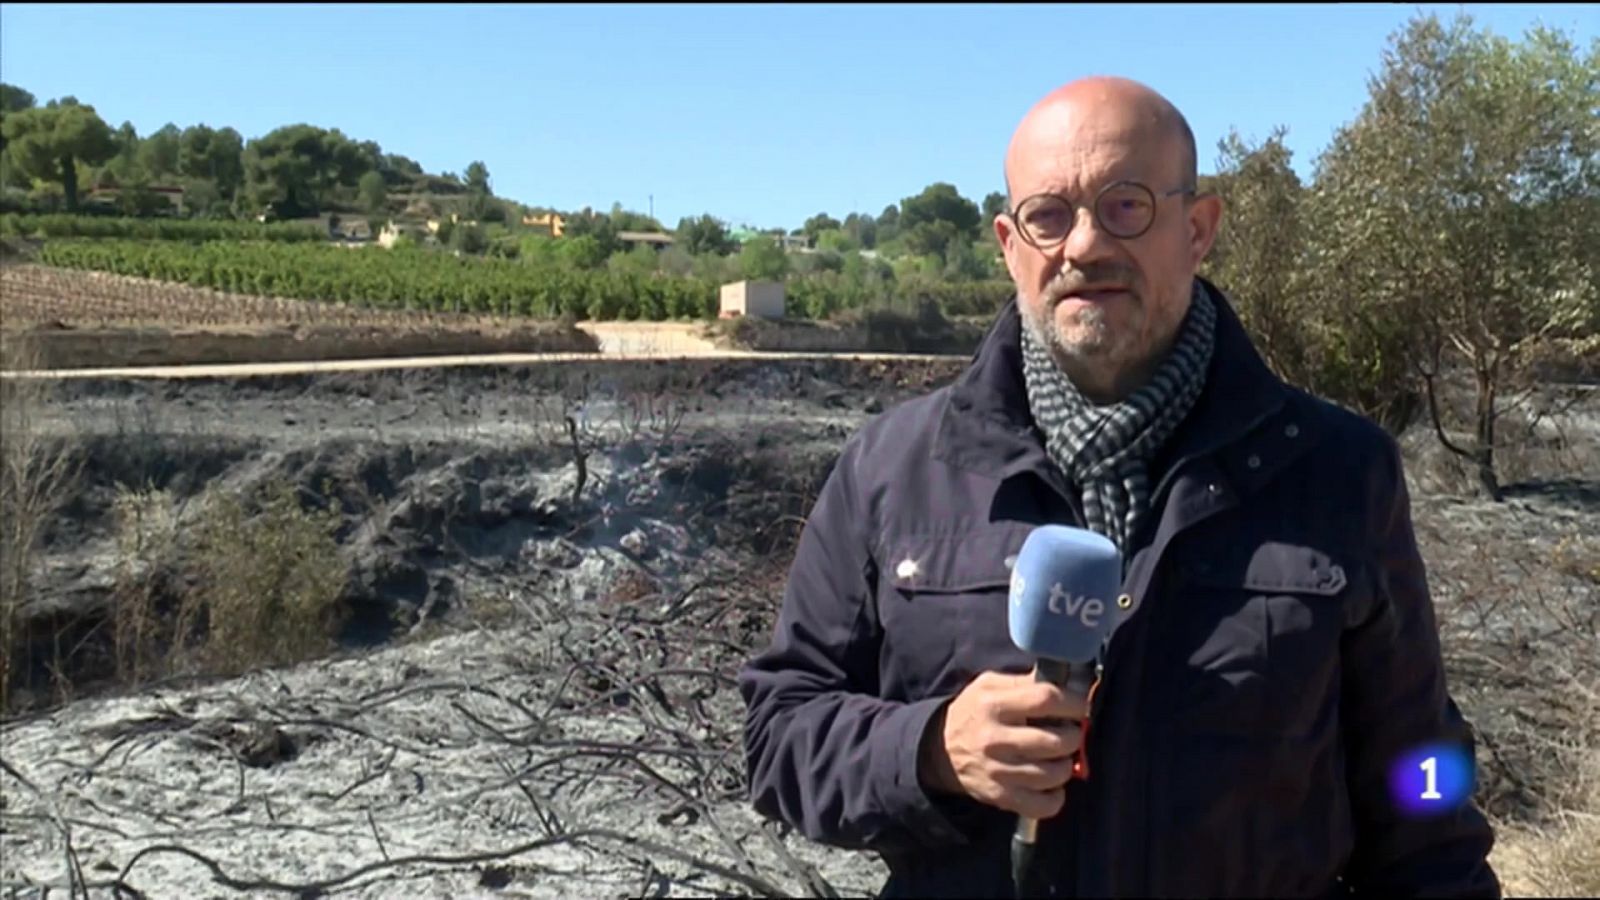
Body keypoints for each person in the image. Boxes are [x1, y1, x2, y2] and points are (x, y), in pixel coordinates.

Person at [737, 77, 1500, 898]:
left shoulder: (1340, 472)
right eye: (1049, 216)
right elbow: (779, 734)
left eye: (1126, 205)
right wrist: (929, 748)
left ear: (1197, 229)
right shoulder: (893, 469)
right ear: (1009, 244)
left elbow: (1423, 779)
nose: (1086, 245)